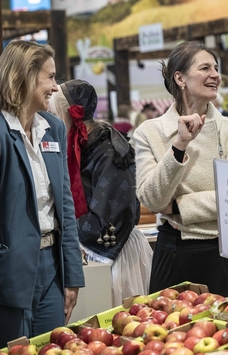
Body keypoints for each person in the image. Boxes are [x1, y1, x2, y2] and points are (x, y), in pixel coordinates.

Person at [0, 41, 85, 347]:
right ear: (26, 78)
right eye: (51, 77)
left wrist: (72, 276)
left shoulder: (54, 129)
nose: (56, 88)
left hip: (52, 270)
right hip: (9, 278)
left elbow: (65, 208)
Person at [133, 42, 228, 296]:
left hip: (224, 252)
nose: (216, 75)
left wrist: (177, 207)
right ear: (180, 78)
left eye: (216, 69)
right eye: (205, 68)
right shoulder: (149, 132)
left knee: (227, 332)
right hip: (173, 251)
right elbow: (153, 199)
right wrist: (180, 144)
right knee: (167, 332)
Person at [49, 80, 151, 306]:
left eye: (53, 112)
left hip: (115, 253)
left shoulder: (109, 149)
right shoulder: (82, 143)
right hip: (84, 248)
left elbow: (111, 216)